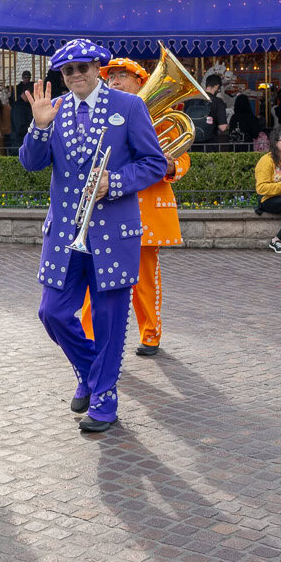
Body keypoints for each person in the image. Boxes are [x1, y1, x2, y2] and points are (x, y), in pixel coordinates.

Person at [18, 38, 169, 433]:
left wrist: (115, 181)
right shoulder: (56, 109)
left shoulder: (129, 106)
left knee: (109, 319)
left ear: (96, 68)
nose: (75, 76)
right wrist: (39, 126)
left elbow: (155, 163)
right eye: (68, 71)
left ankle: (104, 397)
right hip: (65, 235)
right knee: (51, 312)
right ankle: (89, 372)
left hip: (113, 234)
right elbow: (31, 164)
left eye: (82, 68)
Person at [81, 57, 189, 358]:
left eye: (121, 77)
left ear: (140, 82)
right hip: (108, 211)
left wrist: (164, 163)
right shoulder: (100, 114)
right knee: (96, 279)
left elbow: (181, 162)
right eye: (111, 76)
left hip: (146, 213)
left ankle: (150, 335)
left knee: (145, 281)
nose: (114, 81)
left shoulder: (166, 120)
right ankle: (90, 339)